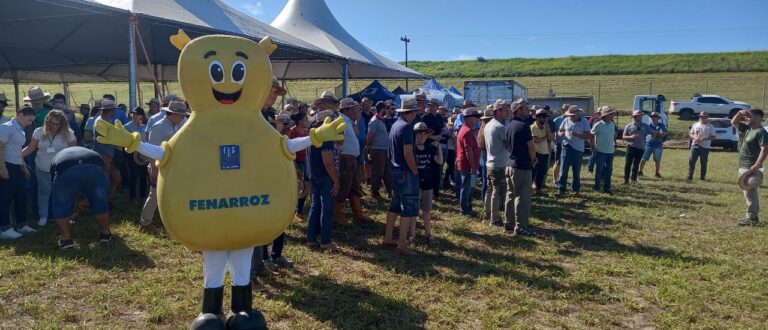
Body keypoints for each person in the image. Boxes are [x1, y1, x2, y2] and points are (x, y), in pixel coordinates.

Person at [48, 147, 112, 249]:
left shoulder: (56, 159)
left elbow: (58, 189)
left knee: (61, 205)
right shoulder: (91, 152)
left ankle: (66, 239)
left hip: (66, 169)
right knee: (100, 203)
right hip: (95, 167)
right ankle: (105, 234)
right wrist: (89, 199)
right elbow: (104, 175)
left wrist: (71, 209)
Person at [21, 110, 76, 226]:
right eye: (52, 123)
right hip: (42, 168)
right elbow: (30, 148)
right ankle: (43, 217)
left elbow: (73, 152)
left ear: (63, 124)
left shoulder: (69, 134)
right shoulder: (39, 132)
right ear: (47, 121)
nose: (54, 126)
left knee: (63, 193)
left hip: (61, 169)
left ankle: (66, 216)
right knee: (43, 193)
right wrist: (14, 156)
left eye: (57, 124)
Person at [140, 100, 188, 234]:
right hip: (160, 166)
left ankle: (173, 220)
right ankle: (145, 222)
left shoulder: (181, 124)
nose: (183, 117)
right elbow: (151, 150)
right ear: (172, 114)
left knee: (176, 194)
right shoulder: (158, 127)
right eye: (181, 115)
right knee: (155, 194)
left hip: (176, 167)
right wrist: (154, 169)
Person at [383, 98, 421, 255]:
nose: (416, 115)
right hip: (405, 171)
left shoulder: (395, 125)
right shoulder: (406, 127)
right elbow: (408, 152)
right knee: (408, 208)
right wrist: (415, 170)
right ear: (411, 112)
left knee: (395, 205)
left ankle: (388, 237)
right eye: (415, 112)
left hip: (395, 170)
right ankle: (402, 245)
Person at [306, 110, 341, 252]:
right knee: (327, 209)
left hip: (314, 176)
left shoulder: (313, 133)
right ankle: (325, 241)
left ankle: (311, 238)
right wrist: (336, 180)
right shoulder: (326, 137)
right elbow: (328, 162)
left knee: (315, 207)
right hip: (325, 177)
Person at [0, 106, 37, 239]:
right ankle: (5, 228)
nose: (30, 123)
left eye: (32, 121)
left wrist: (24, 167)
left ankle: (22, 224)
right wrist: (2, 168)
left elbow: (17, 151)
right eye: (28, 120)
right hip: (7, 165)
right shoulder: (6, 127)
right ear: (20, 114)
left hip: (17, 166)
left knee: (21, 196)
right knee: (5, 198)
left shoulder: (20, 130)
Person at [334, 98, 372, 224]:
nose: (357, 110)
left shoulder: (348, 121)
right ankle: (337, 214)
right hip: (345, 158)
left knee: (354, 185)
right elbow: (339, 141)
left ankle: (357, 213)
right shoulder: (341, 121)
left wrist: (356, 120)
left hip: (351, 158)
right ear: (346, 109)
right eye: (354, 108)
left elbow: (355, 134)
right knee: (344, 185)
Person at [504, 99, 537, 236]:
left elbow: (506, 144)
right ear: (518, 110)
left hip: (510, 164)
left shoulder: (509, 125)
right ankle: (521, 227)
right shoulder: (524, 126)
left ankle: (509, 223)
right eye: (525, 108)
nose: (528, 110)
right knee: (522, 198)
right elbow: (531, 146)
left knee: (510, 195)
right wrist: (533, 160)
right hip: (522, 166)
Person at [732, 109, 768, 226]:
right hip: (744, 166)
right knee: (749, 193)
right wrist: (739, 113)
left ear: (758, 118)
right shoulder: (748, 129)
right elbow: (734, 122)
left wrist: (756, 165)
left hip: (752, 167)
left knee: (749, 193)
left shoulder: (761, 132)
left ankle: (751, 218)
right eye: (745, 117)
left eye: (749, 116)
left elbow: (764, 149)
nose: (746, 118)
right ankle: (753, 217)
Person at [411, 122, 442, 244]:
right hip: (415, 183)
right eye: (419, 134)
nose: (422, 136)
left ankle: (428, 234)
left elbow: (439, 161)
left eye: (424, 134)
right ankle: (412, 234)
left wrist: (438, 147)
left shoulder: (430, 148)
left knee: (427, 210)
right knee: (414, 211)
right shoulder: (412, 149)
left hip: (428, 184)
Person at [484, 100, 510, 226]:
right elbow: (508, 146)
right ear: (498, 111)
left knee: (490, 190)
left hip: (490, 162)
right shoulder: (501, 128)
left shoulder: (488, 125)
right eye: (505, 110)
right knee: (497, 191)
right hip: (499, 164)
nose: (508, 112)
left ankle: (487, 213)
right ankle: (494, 219)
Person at [557, 107, 591, 195]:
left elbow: (589, 136)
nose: (571, 117)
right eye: (570, 115)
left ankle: (575, 189)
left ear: (578, 114)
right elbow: (559, 131)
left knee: (576, 171)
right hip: (566, 148)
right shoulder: (566, 120)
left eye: (573, 115)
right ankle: (561, 189)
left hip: (578, 150)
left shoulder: (584, 122)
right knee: (563, 170)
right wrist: (561, 134)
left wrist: (578, 135)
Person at [456, 108, 482, 216]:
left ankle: (466, 208)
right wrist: (473, 167)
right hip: (467, 165)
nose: (477, 120)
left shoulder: (464, 129)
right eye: (476, 118)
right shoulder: (467, 131)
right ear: (470, 118)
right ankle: (464, 210)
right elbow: (468, 151)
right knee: (466, 188)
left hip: (465, 164)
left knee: (466, 187)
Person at [366, 102, 391, 198]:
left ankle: (390, 191)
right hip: (378, 149)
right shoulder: (374, 121)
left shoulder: (380, 120)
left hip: (384, 149)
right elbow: (370, 135)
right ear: (382, 109)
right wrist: (368, 147)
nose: (387, 110)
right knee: (377, 172)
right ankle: (375, 192)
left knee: (387, 172)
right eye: (386, 108)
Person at [123, 107, 148, 203]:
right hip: (132, 155)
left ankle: (142, 196)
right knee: (133, 175)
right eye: (133, 114)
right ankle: (132, 197)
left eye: (136, 114)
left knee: (143, 176)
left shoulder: (144, 127)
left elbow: (146, 140)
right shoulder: (126, 127)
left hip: (142, 154)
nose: (134, 116)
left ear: (141, 116)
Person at [590, 107, 617, 193]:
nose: (611, 115)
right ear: (605, 116)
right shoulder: (598, 124)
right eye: (610, 114)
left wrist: (614, 143)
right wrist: (593, 147)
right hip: (601, 151)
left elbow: (613, 136)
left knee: (609, 171)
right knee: (599, 170)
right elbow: (591, 136)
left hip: (610, 151)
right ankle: (597, 187)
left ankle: (607, 188)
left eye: (611, 114)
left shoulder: (612, 124)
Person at [623, 110, 653, 184]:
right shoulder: (629, 126)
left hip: (641, 148)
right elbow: (623, 137)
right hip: (631, 147)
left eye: (641, 115)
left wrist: (652, 139)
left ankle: (633, 179)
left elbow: (652, 132)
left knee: (636, 164)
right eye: (639, 116)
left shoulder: (645, 126)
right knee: (628, 163)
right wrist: (631, 137)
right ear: (635, 117)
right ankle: (626, 180)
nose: (641, 117)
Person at [290, 112, 310, 222]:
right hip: (296, 163)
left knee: (305, 187)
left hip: (306, 162)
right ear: (300, 121)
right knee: (297, 187)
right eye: (305, 119)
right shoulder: (292, 132)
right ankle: (294, 211)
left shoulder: (307, 132)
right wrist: (296, 167)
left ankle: (299, 211)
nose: (307, 121)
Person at [531, 108, 554, 194]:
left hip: (545, 152)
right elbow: (535, 140)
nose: (544, 119)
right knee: (534, 172)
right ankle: (530, 189)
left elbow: (551, 138)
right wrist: (545, 138)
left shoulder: (545, 126)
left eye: (545, 117)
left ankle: (538, 189)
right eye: (542, 117)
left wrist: (548, 128)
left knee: (542, 172)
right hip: (536, 153)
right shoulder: (533, 127)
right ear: (537, 118)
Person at [688, 112, 716, 181]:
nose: (702, 118)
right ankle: (690, 176)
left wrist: (704, 139)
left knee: (703, 162)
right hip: (695, 145)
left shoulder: (710, 126)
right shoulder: (695, 124)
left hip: (705, 147)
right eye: (701, 116)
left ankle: (702, 177)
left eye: (704, 116)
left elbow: (713, 137)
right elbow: (691, 133)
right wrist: (695, 138)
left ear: (707, 117)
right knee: (692, 160)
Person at [639, 112, 667, 178]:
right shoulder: (648, 125)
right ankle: (640, 171)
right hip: (648, 144)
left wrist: (654, 134)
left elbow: (663, 134)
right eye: (652, 117)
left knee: (657, 160)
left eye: (654, 117)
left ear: (658, 118)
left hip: (658, 145)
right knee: (643, 158)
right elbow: (646, 135)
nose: (653, 118)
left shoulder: (662, 125)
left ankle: (657, 173)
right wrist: (657, 133)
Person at [551, 104, 569, 188]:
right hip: (558, 144)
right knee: (557, 162)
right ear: (562, 110)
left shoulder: (570, 120)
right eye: (565, 109)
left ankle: (561, 179)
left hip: (568, 145)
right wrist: (554, 141)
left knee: (564, 163)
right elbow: (553, 132)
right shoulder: (557, 120)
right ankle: (555, 179)